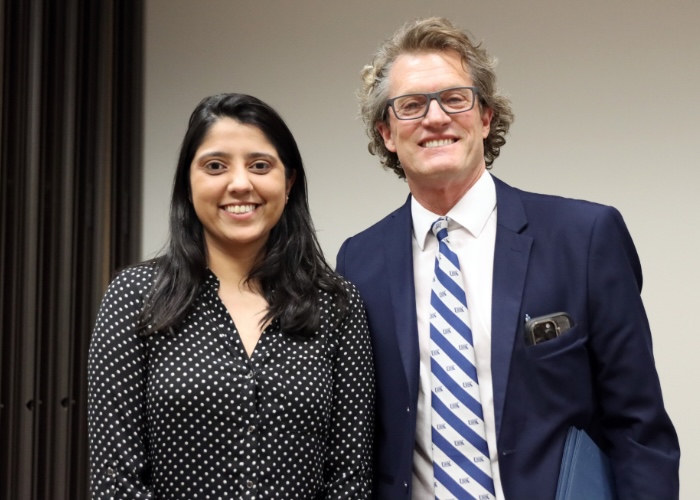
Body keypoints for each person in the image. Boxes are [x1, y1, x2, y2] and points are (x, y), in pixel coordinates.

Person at [336, 17, 679, 500]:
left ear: (486, 117)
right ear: (387, 133)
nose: (435, 118)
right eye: (411, 106)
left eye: (455, 98)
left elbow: (640, 428)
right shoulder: (358, 261)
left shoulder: (583, 238)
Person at [88, 93, 374, 498]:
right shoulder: (135, 297)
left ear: (288, 182)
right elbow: (115, 483)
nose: (240, 184)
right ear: (188, 182)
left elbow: (350, 477)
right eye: (215, 166)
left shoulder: (337, 304)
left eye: (260, 165)